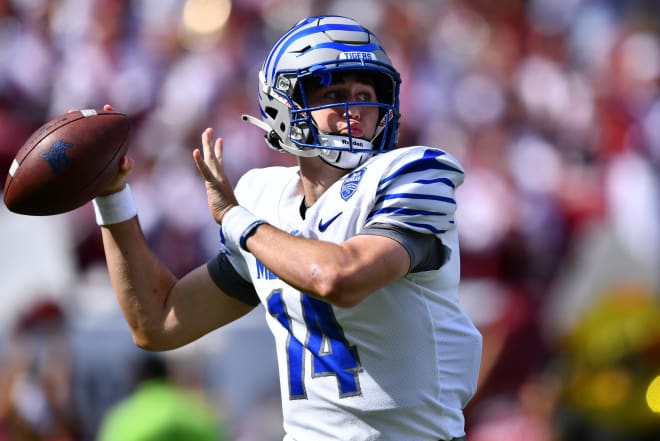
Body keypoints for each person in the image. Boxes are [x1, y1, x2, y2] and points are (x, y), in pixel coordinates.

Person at [91, 15, 482, 441]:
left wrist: (238, 219)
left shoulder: (411, 176)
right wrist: (111, 196)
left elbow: (339, 277)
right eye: (334, 94)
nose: (355, 110)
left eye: (366, 95)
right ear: (285, 106)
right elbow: (158, 321)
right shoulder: (265, 199)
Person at [96, 354, 225, 441]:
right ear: (168, 375)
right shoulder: (193, 408)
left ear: (136, 379)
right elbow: (215, 434)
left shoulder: (121, 416)